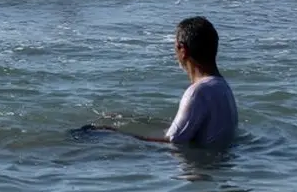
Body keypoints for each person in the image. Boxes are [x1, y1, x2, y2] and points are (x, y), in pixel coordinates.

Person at [87, 16, 238, 147]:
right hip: (218, 166)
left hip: (198, 170)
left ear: (183, 50)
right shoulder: (222, 87)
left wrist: (115, 134)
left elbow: (172, 143)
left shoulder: (197, 92)